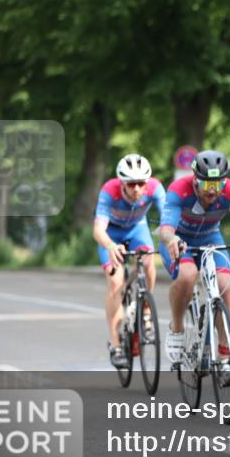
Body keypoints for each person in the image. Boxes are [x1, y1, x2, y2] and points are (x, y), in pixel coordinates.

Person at [160, 150, 230, 381]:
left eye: (217, 183)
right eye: (206, 184)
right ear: (195, 179)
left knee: (224, 285)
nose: (212, 190)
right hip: (180, 239)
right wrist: (172, 240)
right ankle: (177, 328)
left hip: (211, 238)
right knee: (187, 275)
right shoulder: (179, 189)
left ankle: (224, 353)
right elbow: (166, 230)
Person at [92, 154, 165, 368]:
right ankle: (116, 345)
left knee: (149, 260)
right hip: (111, 235)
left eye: (141, 183)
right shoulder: (109, 191)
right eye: (131, 184)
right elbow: (98, 230)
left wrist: (170, 236)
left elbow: (169, 216)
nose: (136, 189)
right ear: (122, 183)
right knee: (116, 283)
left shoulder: (154, 188)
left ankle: (145, 311)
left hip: (136, 229)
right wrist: (111, 246)